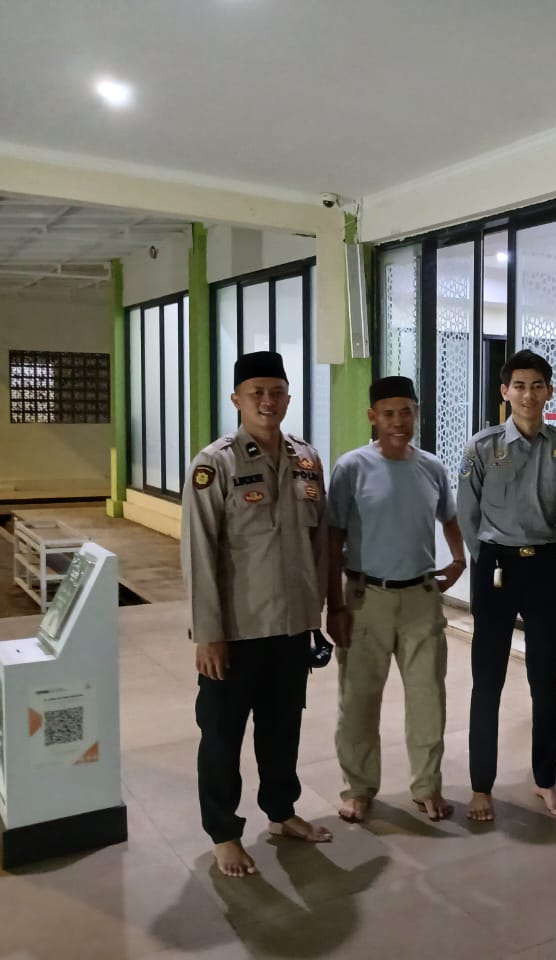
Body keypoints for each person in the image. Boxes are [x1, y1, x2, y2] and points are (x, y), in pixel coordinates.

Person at [182, 350, 332, 879]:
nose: (268, 401)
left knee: (282, 727)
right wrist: (208, 634)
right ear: (237, 400)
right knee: (222, 735)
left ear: (288, 397)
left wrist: (316, 615)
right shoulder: (215, 464)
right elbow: (199, 553)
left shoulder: (307, 458)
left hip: (290, 627)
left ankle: (281, 811)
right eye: (256, 393)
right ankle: (223, 833)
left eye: (276, 392)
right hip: (236, 631)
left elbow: (319, 545)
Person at [326, 376, 466, 825]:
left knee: (428, 700)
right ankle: (358, 789)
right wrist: (335, 604)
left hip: (421, 599)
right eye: (388, 413)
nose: (399, 421)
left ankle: (427, 786)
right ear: (373, 417)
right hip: (366, 598)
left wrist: (459, 560)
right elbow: (332, 538)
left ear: (417, 413)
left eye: (406, 412)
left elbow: (450, 517)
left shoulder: (432, 467)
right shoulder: (351, 467)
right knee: (359, 701)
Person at [457, 349, 556, 821]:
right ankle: (481, 786)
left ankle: (545, 780)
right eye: (520, 386)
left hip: (543, 566)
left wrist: (543, 543)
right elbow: (467, 513)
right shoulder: (483, 447)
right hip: (495, 567)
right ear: (505, 392)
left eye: (537, 386)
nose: (528, 395)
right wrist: (488, 556)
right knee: (487, 679)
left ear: (549, 391)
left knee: (545, 679)